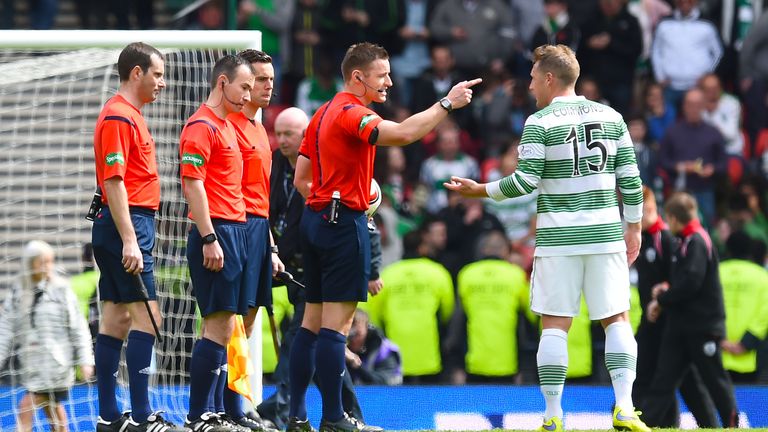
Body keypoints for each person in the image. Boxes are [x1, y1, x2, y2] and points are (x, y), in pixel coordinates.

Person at [444, 44, 649, 432]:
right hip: (606, 234)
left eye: (535, 76)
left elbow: (524, 182)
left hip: (558, 239)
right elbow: (632, 182)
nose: (531, 82)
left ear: (551, 78)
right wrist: (634, 227)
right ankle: (624, 407)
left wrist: (479, 190)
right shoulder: (611, 116)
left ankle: (553, 416)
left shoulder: (540, 122)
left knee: (555, 325)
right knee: (616, 318)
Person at [289, 41, 478, 432]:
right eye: (382, 75)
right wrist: (447, 103)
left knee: (309, 324)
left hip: (315, 220)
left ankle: (296, 416)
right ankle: (333, 419)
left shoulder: (320, 113)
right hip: (342, 224)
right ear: (358, 78)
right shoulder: (350, 113)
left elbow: (301, 180)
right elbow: (405, 134)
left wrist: (327, 205)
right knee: (335, 329)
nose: (390, 82)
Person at [258, 106, 382, 430]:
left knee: (309, 337)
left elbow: (366, 222)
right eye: (279, 133)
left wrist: (373, 269)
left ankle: (293, 412)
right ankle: (314, 415)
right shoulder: (272, 166)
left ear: (306, 136)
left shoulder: (326, 166)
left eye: (289, 134)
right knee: (320, 340)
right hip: (282, 261)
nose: (282, 140)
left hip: (315, 264)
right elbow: (266, 212)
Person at [90, 42, 184, 432]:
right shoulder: (118, 117)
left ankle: (110, 418)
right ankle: (143, 418)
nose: (162, 82)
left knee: (115, 319)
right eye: (157, 74)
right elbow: (113, 181)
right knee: (149, 316)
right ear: (136, 73)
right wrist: (131, 239)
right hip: (126, 225)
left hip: (124, 224)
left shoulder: (130, 115)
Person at [180, 54, 255, 431]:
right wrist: (209, 236)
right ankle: (199, 416)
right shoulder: (200, 126)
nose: (249, 94)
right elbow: (191, 182)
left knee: (226, 327)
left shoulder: (227, 125)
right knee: (216, 326)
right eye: (244, 86)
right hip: (217, 232)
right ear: (222, 83)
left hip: (235, 230)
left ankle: (215, 412)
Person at [222, 48, 285, 432]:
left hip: (260, 230)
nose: (268, 86)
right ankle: (225, 407)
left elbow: (261, 192)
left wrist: (272, 245)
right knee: (228, 323)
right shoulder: (227, 126)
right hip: (236, 228)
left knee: (247, 321)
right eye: (261, 79)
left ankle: (237, 406)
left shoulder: (260, 127)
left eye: (271, 80)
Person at [643, 192, 739, 427]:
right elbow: (685, 279)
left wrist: (662, 299)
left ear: (675, 218)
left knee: (715, 380)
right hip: (681, 326)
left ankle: (732, 423)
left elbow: (692, 282)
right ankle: (648, 425)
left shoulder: (697, 240)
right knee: (664, 380)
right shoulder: (686, 241)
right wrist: (667, 288)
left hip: (703, 326)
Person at [632, 187, 717, 428]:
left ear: (649, 209)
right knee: (653, 374)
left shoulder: (666, 239)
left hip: (669, 320)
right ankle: (665, 423)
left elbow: (681, 277)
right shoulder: (643, 237)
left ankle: (702, 422)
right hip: (653, 321)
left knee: (678, 379)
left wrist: (662, 298)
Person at [0, 240, 94, 432]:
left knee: (26, 406)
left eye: (49, 261)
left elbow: (78, 327)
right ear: (30, 263)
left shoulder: (61, 290)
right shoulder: (19, 293)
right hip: (33, 365)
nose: (46, 266)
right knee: (53, 410)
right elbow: (6, 328)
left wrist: (85, 360)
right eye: (41, 262)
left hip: (57, 364)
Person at [719, 230, 768, 383]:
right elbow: (764, 313)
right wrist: (746, 343)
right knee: (746, 402)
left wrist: (720, 340)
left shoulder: (715, 273)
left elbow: (704, 309)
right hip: (750, 356)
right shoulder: (762, 276)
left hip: (717, 352)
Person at [345, 309, 403, 385]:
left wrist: (356, 365)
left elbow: (382, 382)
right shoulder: (344, 350)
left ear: (367, 328)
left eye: (357, 334)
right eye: (348, 335)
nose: (352, 340)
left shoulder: (385, 350)